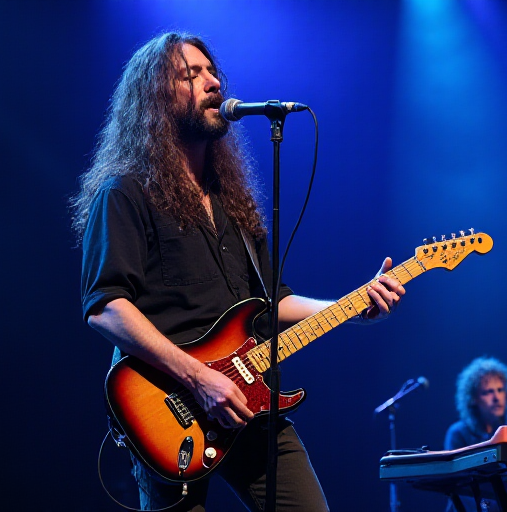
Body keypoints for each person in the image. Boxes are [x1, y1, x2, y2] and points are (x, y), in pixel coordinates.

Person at [71, 32, 404, 511]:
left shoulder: (234, 204)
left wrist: (352, 307)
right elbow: (105, 308)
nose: (213, 83)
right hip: (170, 408)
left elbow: (275, 302)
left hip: (251, 403)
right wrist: (199, 379)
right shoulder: (125, 193)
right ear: (156, 97)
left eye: (212, 72)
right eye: (191, 74)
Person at [444, 356, 507, 451]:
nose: (496, 398)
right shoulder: (459, 433)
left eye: (500, 390)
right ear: (473, 398)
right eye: (488, 392)